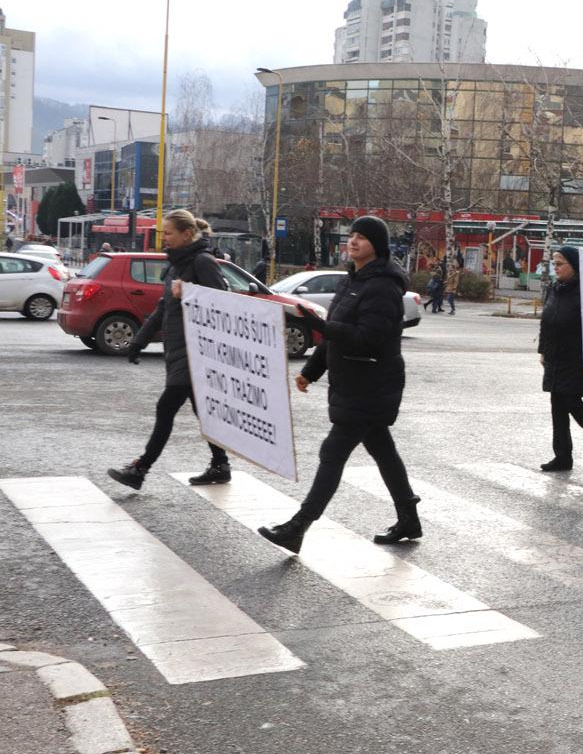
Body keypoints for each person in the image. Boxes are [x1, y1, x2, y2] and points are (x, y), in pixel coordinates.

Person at [257, 216, 421, 553]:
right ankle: (409, 517)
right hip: (352, 382)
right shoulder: (351, 281)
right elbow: (336, 333)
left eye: (363, 237)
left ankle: (299, 526)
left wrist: (320, 326)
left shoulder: (383, 287)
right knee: (383, 450)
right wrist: (311, 371)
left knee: (332, 451)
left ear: (377, 245)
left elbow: (368, 339)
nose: (354, 241)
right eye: (353, 235)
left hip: (373, 382)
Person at [106, 210, 233, 491]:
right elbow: (164, 307)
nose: (164, 239)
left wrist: (187, 292)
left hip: (196, 351)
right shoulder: (177, 264)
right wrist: (139, 340)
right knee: (204, 412)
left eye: (169, 234)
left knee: (165, 408)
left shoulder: (202, 261)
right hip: (177, 349)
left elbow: (222, 301)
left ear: (186, 235)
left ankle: (140, 469)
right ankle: (220, 465)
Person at [537, 246, 583, 472]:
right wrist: (543, 350)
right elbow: (546, 321)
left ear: (574, 266)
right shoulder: (554, 289)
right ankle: (563, 457)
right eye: (554, 264)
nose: (555, 268)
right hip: (555, 355)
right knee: (557, 406)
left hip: (578, 358)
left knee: (570, 401)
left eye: (560, 264)